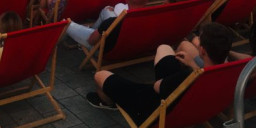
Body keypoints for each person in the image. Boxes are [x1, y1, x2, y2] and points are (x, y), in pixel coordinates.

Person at [86, 23, 232, 125]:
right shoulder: (230, 72)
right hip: (190, 100)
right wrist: (192, 65)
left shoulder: (188, 76)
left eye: (199, 41)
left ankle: (108, 103)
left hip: (158, 108)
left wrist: (188, 70)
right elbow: (201, 76)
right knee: (164, 48)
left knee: (100, 75)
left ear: (202, 51)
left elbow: (157, 87)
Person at [65, 0, 148, 50]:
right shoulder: (153, 17)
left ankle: (91, 30)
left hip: (106, 52)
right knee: (106, 10)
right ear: (147, 0)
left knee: (65, 23)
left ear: (126, 0)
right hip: (134, 48)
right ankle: (94, 30)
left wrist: (99, 31)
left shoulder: (111, 22)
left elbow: (91, 41)